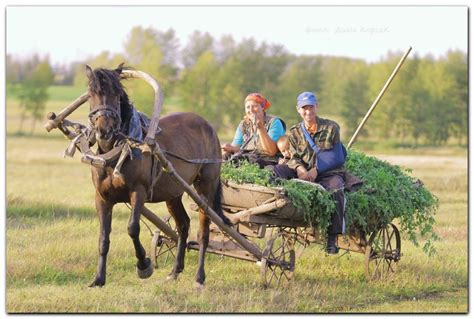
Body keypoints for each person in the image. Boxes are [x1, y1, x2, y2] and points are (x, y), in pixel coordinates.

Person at [286, 91, 361, 254]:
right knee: (281, 178)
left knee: (336, 190)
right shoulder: (294, 133)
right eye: (304, 108)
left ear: (316, 107)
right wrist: (300, 170)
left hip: (329, 173)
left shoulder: (331, 128)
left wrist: (316, 170)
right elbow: (293, 157)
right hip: (304, 173)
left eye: (311, 107)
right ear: (298, 110)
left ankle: (332, 237)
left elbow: (337, 157)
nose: (308, 111)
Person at [221, 93, 286, 167]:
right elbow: (237, 147)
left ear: (262, 107)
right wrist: (230, 148)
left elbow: (271, 152)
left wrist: (260, 128)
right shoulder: (243, 125)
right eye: (248, 107)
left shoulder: (274, 122)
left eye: (255, 106)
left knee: (252, 161)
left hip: (267, 161)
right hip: (247, 158)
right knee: (225, 156)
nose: (251, 110)